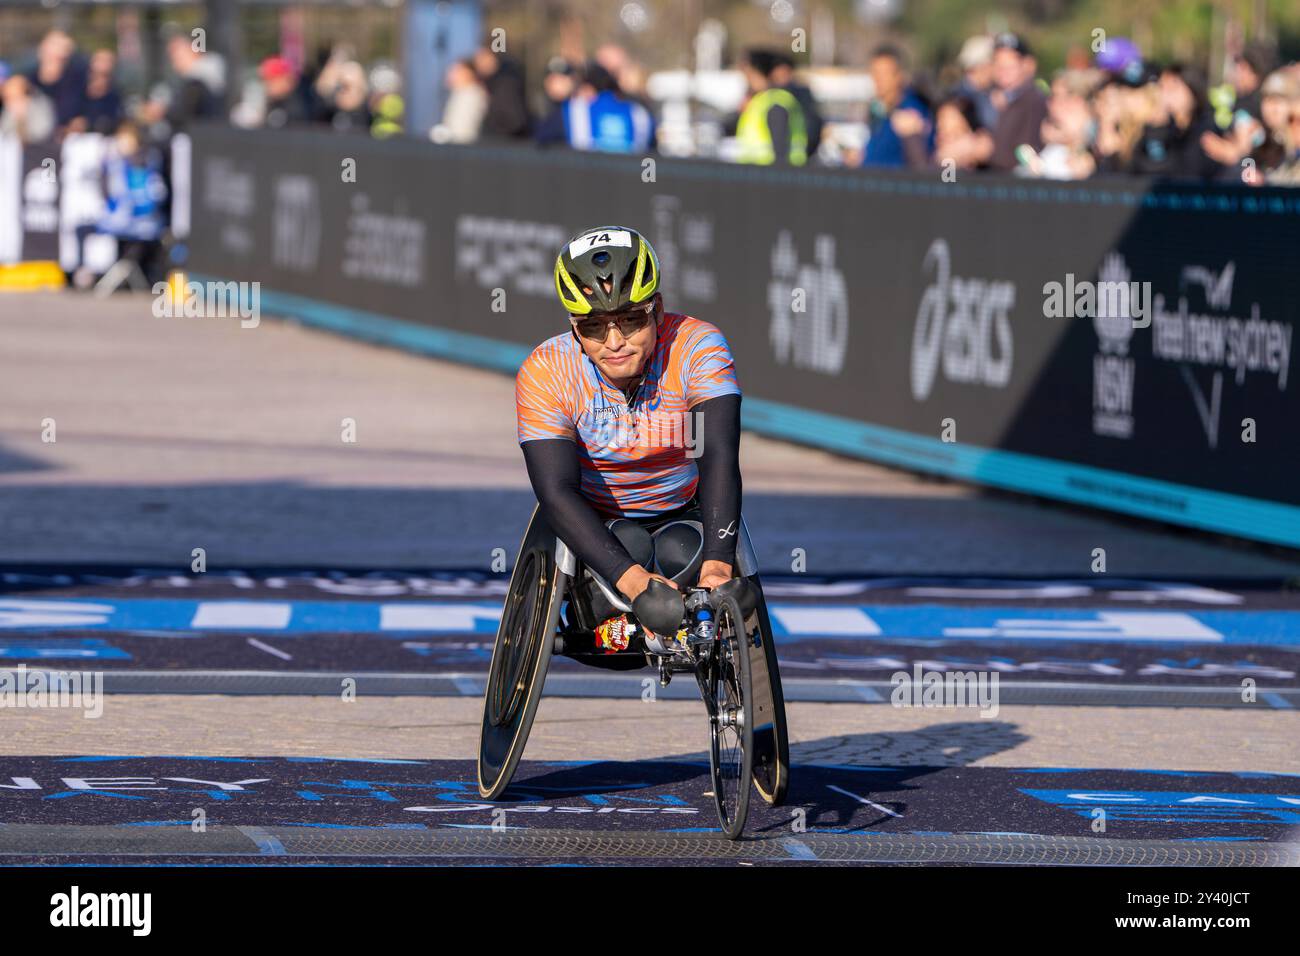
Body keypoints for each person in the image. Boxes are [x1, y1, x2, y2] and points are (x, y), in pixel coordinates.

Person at [515, 226, 744, 644]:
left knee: (682, 549)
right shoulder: (547, 371)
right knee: (631, 547)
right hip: (601, 519)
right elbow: (556, 490)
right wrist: (634, 581)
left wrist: (718, 566)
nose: (615, 342)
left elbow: (715, 457)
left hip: (684, 509)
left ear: (657, 310)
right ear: (573, 327)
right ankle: (618, 619)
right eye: (594, 327)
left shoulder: (696, 347)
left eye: (631, 320)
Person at [537, 62, 654, 153]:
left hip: (587, 180)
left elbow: (541, 138)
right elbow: (651, 161)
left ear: (589, 89)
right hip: (633, 182)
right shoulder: (640, 114)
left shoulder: (575, 111)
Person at [1130, 64, 1223, 180]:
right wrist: (1156, 128)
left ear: (1193, 89)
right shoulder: (1165, 128)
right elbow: (1141, 166)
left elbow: (1188, 170)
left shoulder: (1206, 128)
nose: (1165, 94)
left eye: (1173, 87)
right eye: (1162, 87)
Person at [860, 45, 932, 168]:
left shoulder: (912, 111)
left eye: (884, 73)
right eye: (874, 72)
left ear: (899, 76)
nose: (877, 79)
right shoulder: (880, 111)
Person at [734, 48, 808, 166]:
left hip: (769, 176)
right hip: (759, 174)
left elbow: (780, 150)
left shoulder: (775, 102)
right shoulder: (759, 101)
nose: (747, 80)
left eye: (750, 74)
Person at [988, 32, 1049, 171]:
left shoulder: (1034, 101)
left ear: (1028, 64)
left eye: (1010, 65)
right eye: (998, 64)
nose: (1002, 71)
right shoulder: (989, 98)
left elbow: (1027, 150)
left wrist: (987, 150)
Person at [26, 30, 85, 132]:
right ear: (42, 50)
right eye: (55, 47)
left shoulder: (77, 82)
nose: (60, 53)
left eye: (65, 49)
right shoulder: (28, 81)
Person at [770, 52, 824, 158]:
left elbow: (813, 125)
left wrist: (808, 150)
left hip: (796, 160)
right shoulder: (768, 95)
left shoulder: (801, 95)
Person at [473, 47, 531, 140]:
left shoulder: (505, 85)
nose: (478, 63)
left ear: (492, 58)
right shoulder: (492, 84)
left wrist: (493, 137)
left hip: (504, 145)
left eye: (482, 58)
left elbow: (515, 121)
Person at [431, 57, 486, 143]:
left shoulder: (471, 96)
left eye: (456, 71)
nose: (450, 74)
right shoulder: (460, 93)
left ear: (468, 73)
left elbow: (461, 132)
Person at [0, 74, 56, 143]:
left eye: (17, 97)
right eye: (8, 99)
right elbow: (4, 131)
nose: (11, 103)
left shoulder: (40, 105)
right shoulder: (9, 109)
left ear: (27, 96)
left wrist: (23, 118)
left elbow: (42, 134)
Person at [79, 49, 123, 135]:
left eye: (108, 61)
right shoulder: (78, 90)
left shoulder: (115, 95)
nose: (104, 64)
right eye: (101, 60)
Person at [259, 57, 311, 129]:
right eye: (266, 81)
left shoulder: (303, 103)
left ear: (286, 79)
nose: (268, 85)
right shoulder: (272, 104)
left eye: (272, 80)